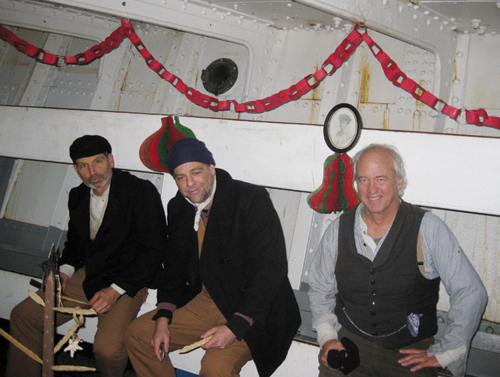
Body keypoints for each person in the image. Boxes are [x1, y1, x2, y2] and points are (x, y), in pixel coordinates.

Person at [308, 143, 487, 377]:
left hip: (407, 353)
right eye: (363, 180)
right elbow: (321, 288)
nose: (372, 189)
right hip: (349, 342)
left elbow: (471, 291)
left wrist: (446, 352)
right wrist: (327, 338)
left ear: (399, 183)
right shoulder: (338, 229)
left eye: (381, 179)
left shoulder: (428, 228)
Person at [125, 137, 301, 377]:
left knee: (215, 367)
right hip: (206, 299)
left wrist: (235, 327)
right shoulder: (178, 208)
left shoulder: (250, 199)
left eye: (196, 172)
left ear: (212, 168)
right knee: (138, 335)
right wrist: (164, 317)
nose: (190, 183)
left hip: (253, 307)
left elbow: (271, 269)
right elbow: (174, 268)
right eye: (180, 177)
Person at [6, 135, 168, 377]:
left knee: (108, 349)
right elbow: (75, 245)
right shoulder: (78, 196)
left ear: (110, 160)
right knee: (23, 316)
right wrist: (63, 274)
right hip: (89, 274)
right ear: (76, 169)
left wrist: (115, 290)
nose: (92, 171)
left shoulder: (140, 191)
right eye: (83, 165)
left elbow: (155, 251)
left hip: (127, 279)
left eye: (98, 162)